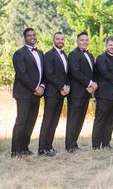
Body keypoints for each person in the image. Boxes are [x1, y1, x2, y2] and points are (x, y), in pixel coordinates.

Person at [11, 28, 45, 158]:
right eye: (29, 35)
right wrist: (35, 88)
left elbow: (44, 73)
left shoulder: (40, 53)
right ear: (25, 37)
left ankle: (25, 148)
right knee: (21, 121)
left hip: (37, 93)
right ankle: (15, 150)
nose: (32, 37)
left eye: (34, 35)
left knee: (31, 121)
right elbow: (22, 74)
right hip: (24, 93)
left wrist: (42, 86)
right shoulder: (19, 54)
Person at [38, 32, 69, 157]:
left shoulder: (64, 55)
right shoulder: (49, 55)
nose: (60, 41)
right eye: (58, 39)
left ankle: (49, 146)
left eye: (62, 39)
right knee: (48, 120)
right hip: (51, 93)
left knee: (55, 121)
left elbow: (65, 74)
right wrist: (62, 86)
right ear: (53, 40)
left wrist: (66, 87)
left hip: (60, 94)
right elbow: (49, 74)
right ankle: (42, 148)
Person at [92, 36, 113, 149]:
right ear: (106, 46)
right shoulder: (101, 58)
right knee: (100, 120)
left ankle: (106, 143)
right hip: (104, 95)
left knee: (111, 120)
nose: (112, 47)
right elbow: (105, 73)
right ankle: (96, 145)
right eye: (110, 45)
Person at [66, 31, 97, 153]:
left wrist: (92, 85)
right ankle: (69, 147)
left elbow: (93, 73)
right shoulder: (73, 55)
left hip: (86, 93)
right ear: (77, 42)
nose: (85, 42)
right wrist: (89, 84)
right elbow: (76, 72)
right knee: (73, 120)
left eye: (86, 40)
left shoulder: (90, 55)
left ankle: (75, 144)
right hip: (76, 94)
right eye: (82, 40)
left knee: (80, 120)